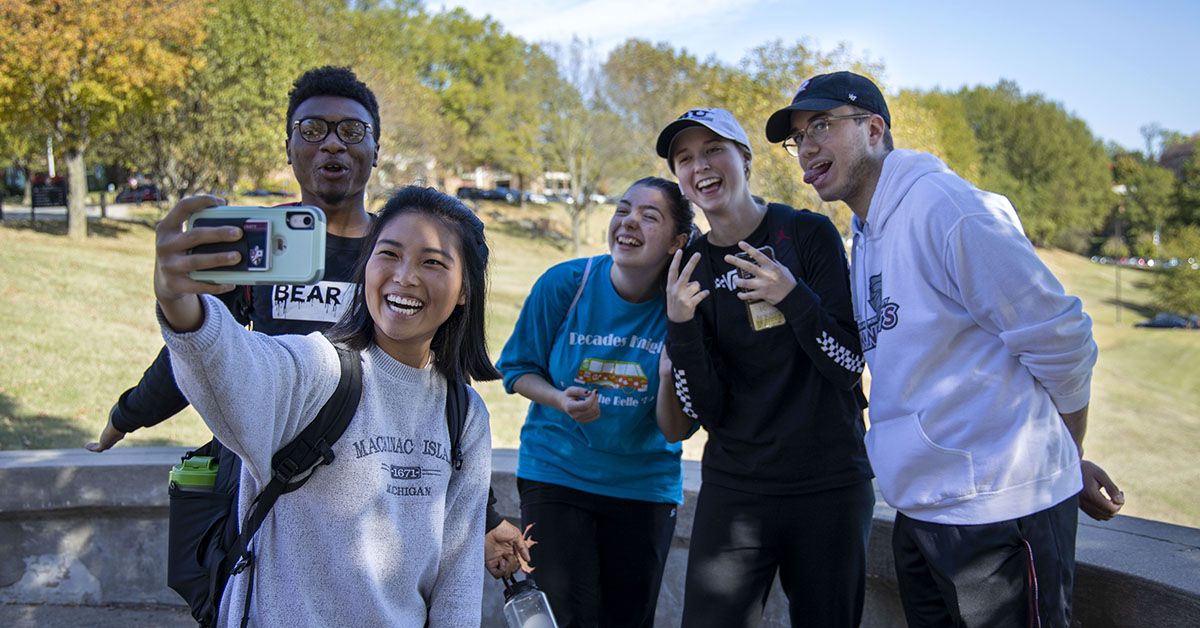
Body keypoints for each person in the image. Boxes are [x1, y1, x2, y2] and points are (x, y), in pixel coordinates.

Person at [86, 65, 530, 577]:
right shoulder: (257, 249)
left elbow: (437, 386)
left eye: (352, 131)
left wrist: (486, 513)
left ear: (376, 150)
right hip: (273, 474)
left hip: (374, 482)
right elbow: (203, 350)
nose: (333, 145)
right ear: (291, 148)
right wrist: (126, 415)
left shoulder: (398, 258)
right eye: (313, 130)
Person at [765, 70, 1126, 627]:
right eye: (797, 138)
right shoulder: (865, 230)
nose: (806, 147)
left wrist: (1065, 455)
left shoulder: (947, 209)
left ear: (874, 128)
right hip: (922, 513)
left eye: (821, 125)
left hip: (1000, 517)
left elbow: (1062, 338)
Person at [153, 186, 496, 627]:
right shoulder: (318, 369)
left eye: (433, 262)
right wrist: (181, 305)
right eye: (388, 254)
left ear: (464, 289)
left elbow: (458, 586)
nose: (405, 276)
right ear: (366, 266)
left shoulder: (465, 415)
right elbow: (231, 367)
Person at [655, 108, 875, 628]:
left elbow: (848, 366)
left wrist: (793, 297)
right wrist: (682, 325)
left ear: (745, 159)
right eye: (685, 159)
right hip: (737, 490)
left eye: (713, 150)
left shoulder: (807, 233)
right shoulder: (689, 265)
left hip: (828, 485)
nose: (700, 165)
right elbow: (703, 408)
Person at [495, 177, 694, 628]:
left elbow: (674, 429)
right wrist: (560, 400)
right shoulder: (566, 284)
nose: (628, 222)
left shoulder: (682, 308)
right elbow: (517, 370)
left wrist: (667, 375)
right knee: (560, 618)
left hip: (642, 485)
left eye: (650, 216)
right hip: (557, 471)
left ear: (676, 242)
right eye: (623, 209)